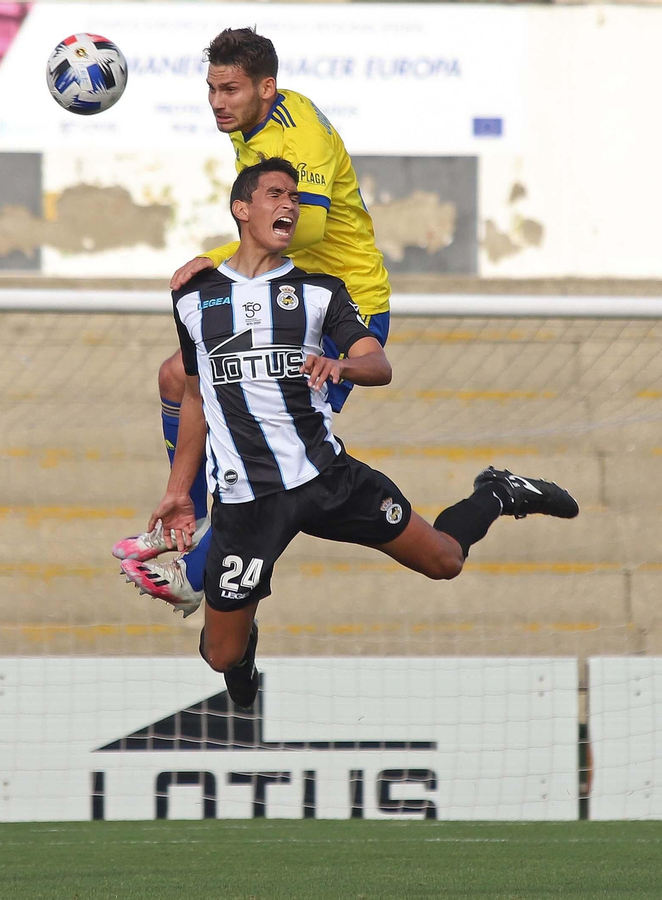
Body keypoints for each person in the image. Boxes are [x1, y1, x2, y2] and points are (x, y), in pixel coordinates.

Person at [145, 159, 578, 708]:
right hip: (247, 503)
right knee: (221, 656)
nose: (289, 206)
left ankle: (496, 492)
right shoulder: (192, 297)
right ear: (242, 208)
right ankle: (245, 646)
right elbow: (194, 395)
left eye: (295, 199)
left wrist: (342, 367)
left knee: (444, 560)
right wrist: (180, 490)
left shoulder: (319, 291)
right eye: (276, 194)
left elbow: (379, 364)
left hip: (328, 479)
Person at [116, 27, 393, 609]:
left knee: (274, 453)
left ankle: (196, 572)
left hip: (340, 304)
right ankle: (179, 520)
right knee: (179, 377)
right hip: (277, 292)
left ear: (266, 87)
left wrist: (215, 259)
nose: (219, 102)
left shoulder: (301, 139)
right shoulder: (256, 122)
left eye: (231, 89)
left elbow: (309, 228)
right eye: (213, 89)